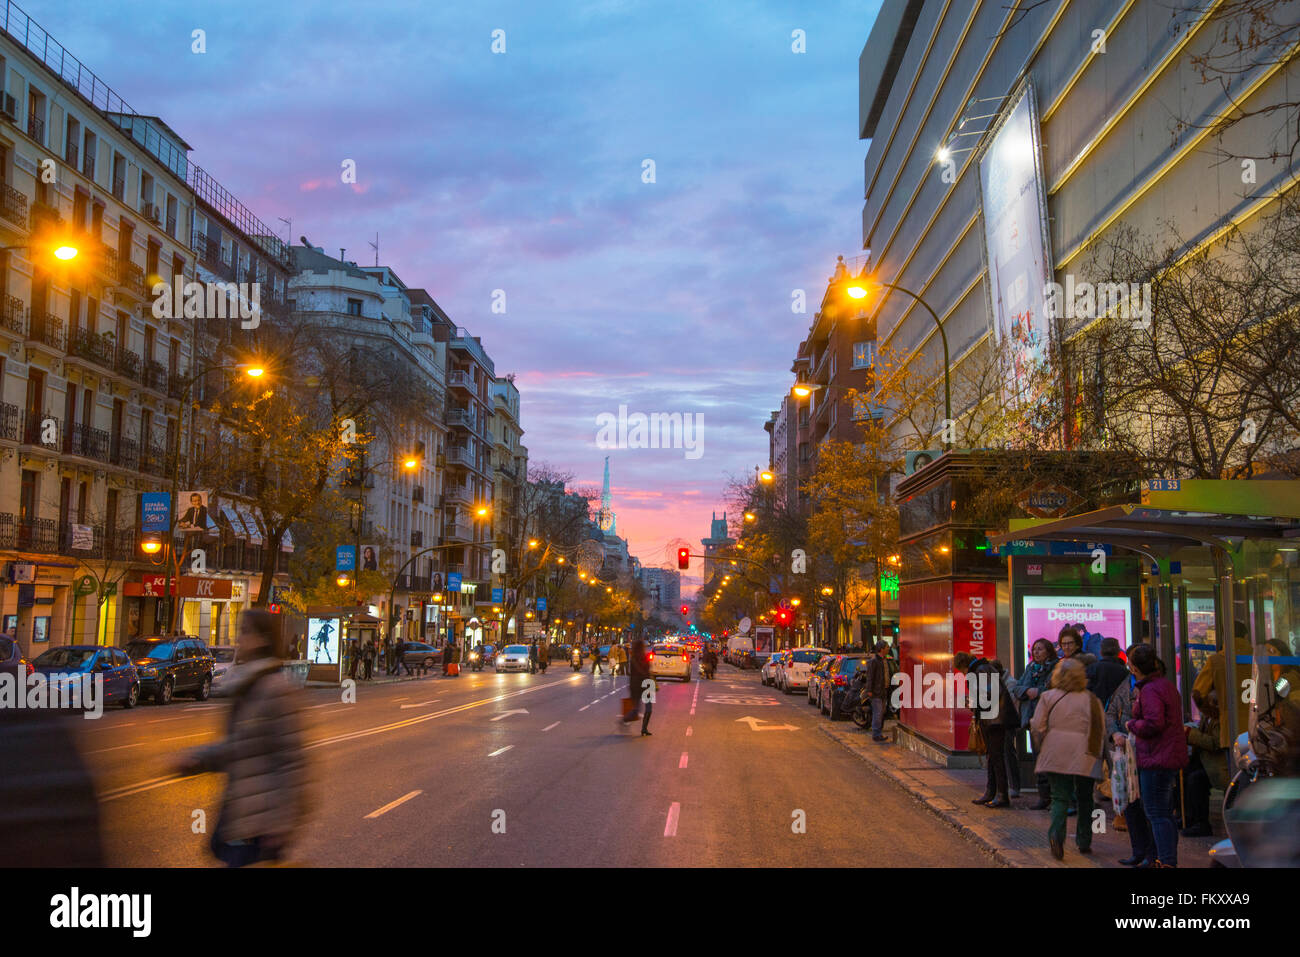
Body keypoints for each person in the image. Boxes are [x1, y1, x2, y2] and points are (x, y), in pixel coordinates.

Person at [177, 609, 310, 867]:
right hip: (242, 814)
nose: (239, 640)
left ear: (261, 639)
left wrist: (281, 824)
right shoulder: (249, 685)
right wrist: (198, 760)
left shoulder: (275, 690)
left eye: (244, 632)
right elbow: (239, 747)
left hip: (259, 824)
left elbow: (293, 762)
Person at [1030, 657, 1106, 860]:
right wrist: (1100, 757)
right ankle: (1084, 840)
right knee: (1085, 798)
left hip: (1056, 751)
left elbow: (1038, 725)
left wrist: (1042, 743)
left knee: (1059, 796)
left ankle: (1056, 834)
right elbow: (1099, 729)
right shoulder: (1091, 699)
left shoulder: (1047, 697)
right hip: (1085, 753)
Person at [1125, 643, 1188, 868]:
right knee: (1163, 812)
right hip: (1165, 755)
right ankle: (1163, 859)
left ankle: (1167, 861)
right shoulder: (1164, 685)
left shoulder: (1150, 690)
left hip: (1156, 757)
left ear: (1134, 667)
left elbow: (1154, 723)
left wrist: (1131, 724)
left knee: (1156, 812)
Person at [954, 651, 1019, 807]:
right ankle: (991, 792)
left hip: (994, 720)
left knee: (996, 757)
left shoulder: (981, 670)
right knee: (992, 756)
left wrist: (974, 702)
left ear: (963, 665)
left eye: (961, 671)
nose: (963, 675)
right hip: (992, 719)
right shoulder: (982, 669)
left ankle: (1001, 795)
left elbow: (989, 693)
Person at [1191, 621, 1253, 750]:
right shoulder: (1259, 659)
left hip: (1229, 727)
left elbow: (1198, 694)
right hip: (1258, 726)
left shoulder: (1216, 661)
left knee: (1236, 766)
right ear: (1246, 637)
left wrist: (1215, 713)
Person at [1013, 638, 1058, 809]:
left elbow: (1055, 690)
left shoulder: (1054, 668)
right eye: (1035, 649)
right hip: (1033, 720)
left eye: (1041, 649)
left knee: (1050, 758)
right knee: (1038, 758)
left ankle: (1054, 796)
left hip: (1049, 719)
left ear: (1048, 651)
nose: (1037, 652)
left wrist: (1038, 692)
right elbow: (1017, 688)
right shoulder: (1030, 667)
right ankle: (1043, 796)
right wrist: (1027, 691)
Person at [1183, 688, 1227, 837]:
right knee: (1184, 772)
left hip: (1217, 764)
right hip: (1204, 759)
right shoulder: (1206, 717)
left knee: (1196, 780)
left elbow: (1215, 743)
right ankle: (1188, 816)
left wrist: (1191, 734)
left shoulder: (1219, 720)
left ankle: (1201, 822)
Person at [624, 636, 654, 736]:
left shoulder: (645, 657)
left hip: (647, 685)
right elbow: (639, 672)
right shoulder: (633, 659)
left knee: (649, 709)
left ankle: (644, 728)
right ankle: (625, 719)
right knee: (636, 710)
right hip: (637, 685)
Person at [863, 642, 891, 741]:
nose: (888, 648)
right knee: (878, 712)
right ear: (881, 649)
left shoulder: (885, 660)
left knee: (881, 712)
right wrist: (869, 690)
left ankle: (878, 732)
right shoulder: (874, 661)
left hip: (883, 691)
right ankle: (876, 734)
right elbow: (870, 677)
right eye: (887, 647)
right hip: (876, 691)